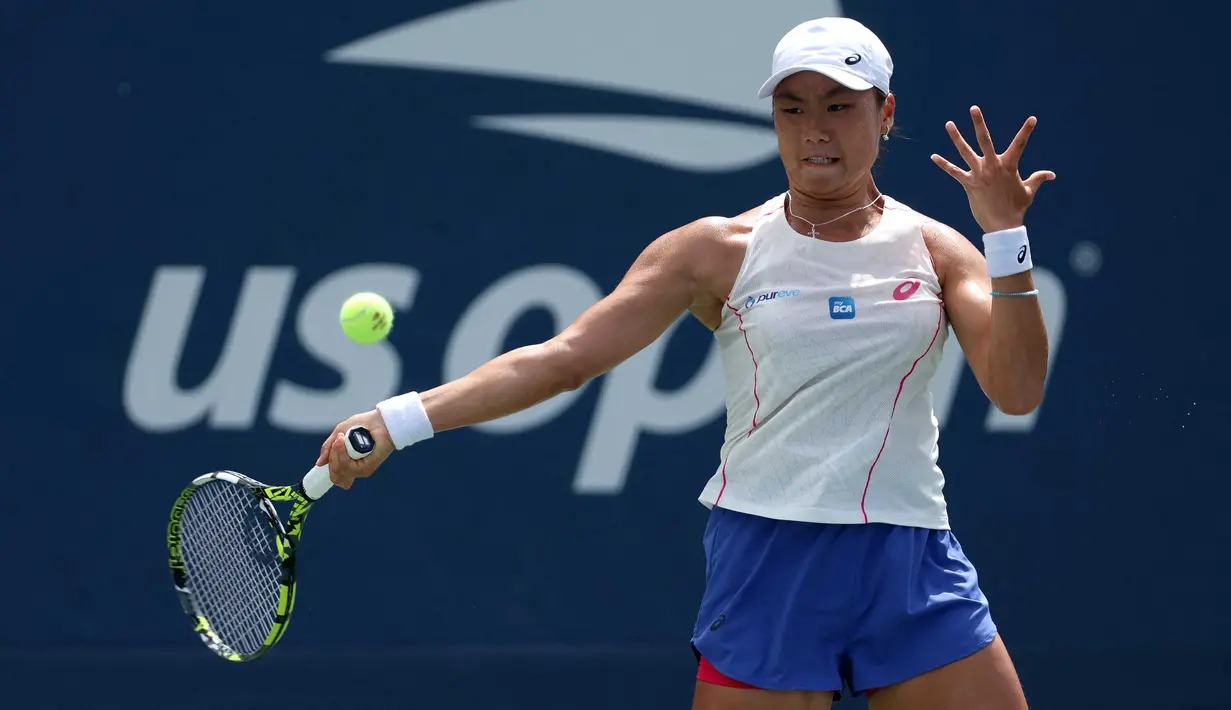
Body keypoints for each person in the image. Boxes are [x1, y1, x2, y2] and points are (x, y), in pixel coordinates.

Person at [315, 16, 1054, 710]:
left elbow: (1017, 390)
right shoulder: (715, 251)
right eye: (792, 109)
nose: (814, 130)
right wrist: (399, 420)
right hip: (770, 557)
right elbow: (562, 360)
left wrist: (1004, 238)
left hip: (911, 556)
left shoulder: (936, 251)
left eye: (838, 106)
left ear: (884, 113)